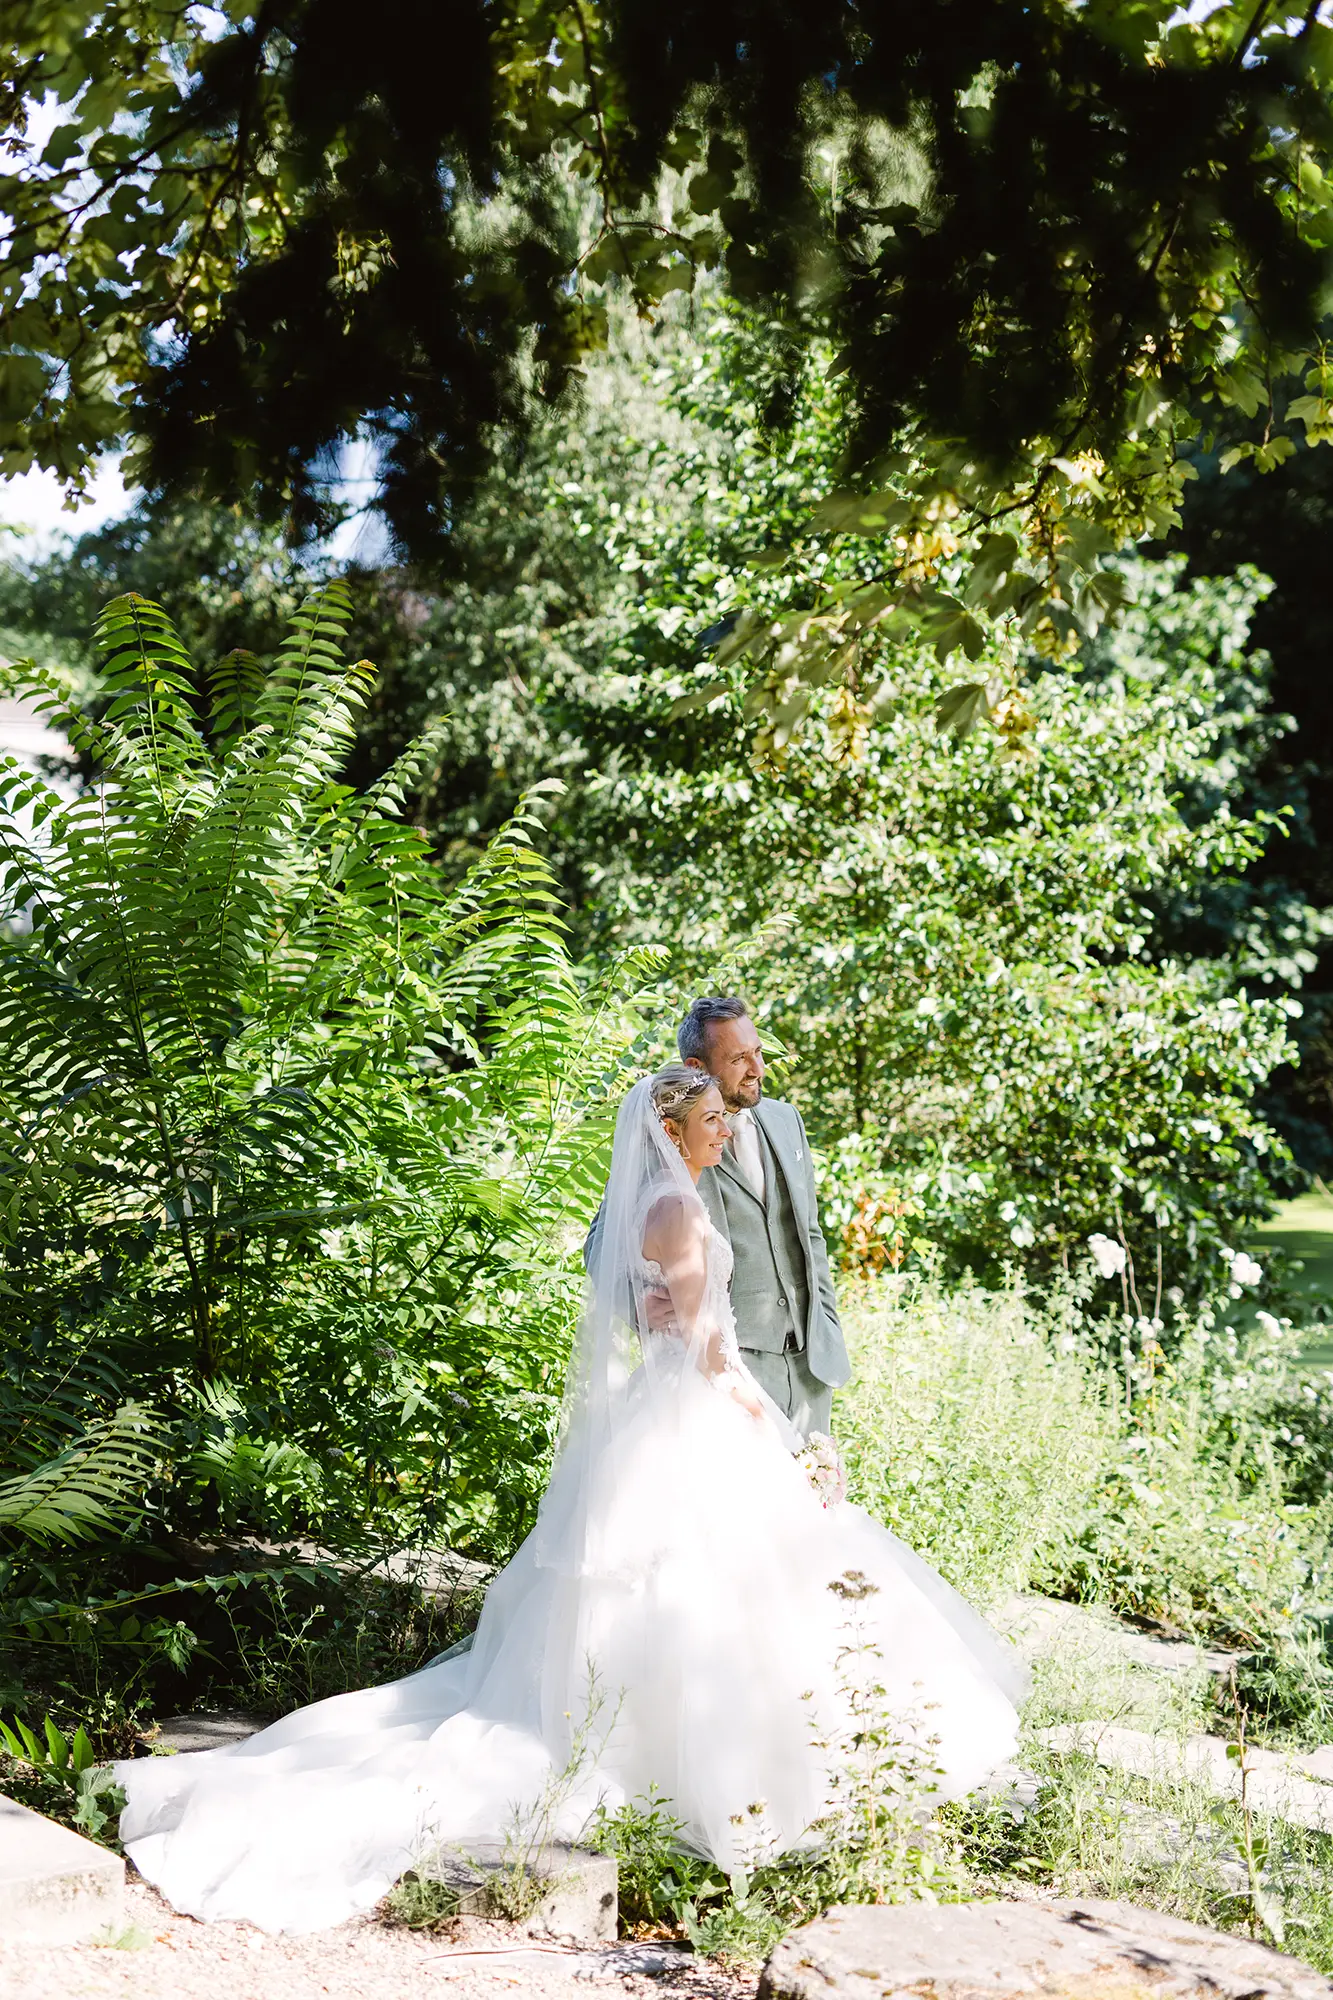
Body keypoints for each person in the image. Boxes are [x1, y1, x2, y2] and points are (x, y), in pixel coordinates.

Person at [115, 1066, 1025, 1935]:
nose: (725, 1128)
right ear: (670, 1130)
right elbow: (713, 1351)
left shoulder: (649, 1204)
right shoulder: (676, 1206)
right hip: (697, 1413)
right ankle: (717, 1770)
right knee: (719, 1586)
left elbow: (658, 1317)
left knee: (678, 1591)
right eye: (711, 1119)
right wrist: (786, 1436)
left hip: (663, 1413)